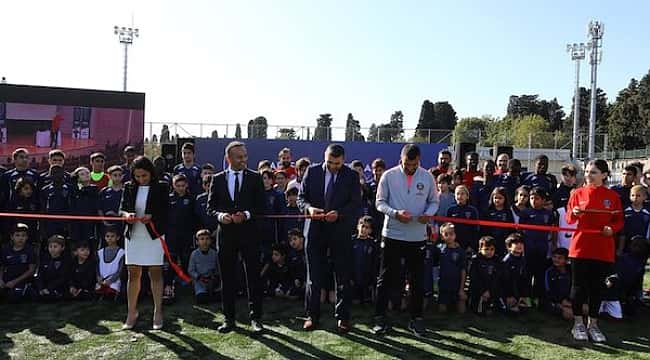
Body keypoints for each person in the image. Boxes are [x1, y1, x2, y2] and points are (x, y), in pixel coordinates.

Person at [373, 144, 438, 337]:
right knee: (385, 278)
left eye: (414, 164)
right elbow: (379, 202)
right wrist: (395, 213)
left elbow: (434, 201)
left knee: (417, 280)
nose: (410, 167)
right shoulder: (389, 175)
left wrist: (428, 214)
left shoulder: (427, 177)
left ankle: (416, 319)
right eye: (407, 163)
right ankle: (379, 318)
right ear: (401, 159)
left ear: (419, 160)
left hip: (417, 236)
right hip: (392, 234)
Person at [298, 143, 361, 333]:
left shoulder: (351, 176)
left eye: (337, 163)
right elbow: (301, 198)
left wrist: (339, 213)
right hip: (315, 231)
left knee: (342, 276)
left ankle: (343, 317)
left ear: (343, 160)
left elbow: (355, 203)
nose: (333, 166)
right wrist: (309, 209)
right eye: (330, 162)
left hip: (339, 231)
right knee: (314, 277)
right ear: (324, 157)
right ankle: (312, 315)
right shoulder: (312, 171)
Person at [207, 141, 266, 334]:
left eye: (245, 156)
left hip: (250, 234)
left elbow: (261, 207)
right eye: (239, 157)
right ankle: (229, 318)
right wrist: (220, 216)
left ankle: (256, 318)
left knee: (253, 277)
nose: (244, 160)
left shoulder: (255, 178)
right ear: (228, 159)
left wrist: (247, 215)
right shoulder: (218, 179)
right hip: (226, 235)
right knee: (228, 278)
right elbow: (210, 207)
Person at [566, 159, 624, 342]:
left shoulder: (612, 197)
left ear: (604, 175)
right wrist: (574, 213)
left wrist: (611, 230)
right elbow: (568, 219)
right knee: (578, 288)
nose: (588, 175)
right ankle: (577, 324)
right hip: (581, 247)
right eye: (587, 171)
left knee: (597, 289)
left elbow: (619, 220)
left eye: (593, 172)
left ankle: (593, 325)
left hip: (603, 248)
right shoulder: (577, 193)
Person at [120, 155, 169, 330]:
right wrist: (127, 216)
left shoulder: (162, 186)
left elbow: (166, 210)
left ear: (151, 173)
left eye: (144, 176)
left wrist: (152, 216)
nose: (141, 179)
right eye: (137, 176)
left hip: (153, 236)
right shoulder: (128, 186)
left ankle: (158, 312)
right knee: (133, 274)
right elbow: (122, 208)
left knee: (155, 273)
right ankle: (131, 312)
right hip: (134, 235)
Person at [519, 187, 554, 302]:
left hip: (542, 248)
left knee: (539, 274)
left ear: (543, 200)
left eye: (537, 198)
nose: (534, 201)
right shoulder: (525, 213)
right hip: (528, 248)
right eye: (532, 198)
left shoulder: (549, 214)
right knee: (527, 274)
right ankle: (526, 297)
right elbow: (520, 230)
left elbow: (551, 230)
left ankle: (538, 298)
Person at [0, 224, 36, 303]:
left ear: (27, 237)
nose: (20, 238)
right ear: (12, 237)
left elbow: (31, 270)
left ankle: (27, 289)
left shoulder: (30, 250)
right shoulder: (5, 249)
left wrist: (14, 282)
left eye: (23, 235)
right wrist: (1, 280)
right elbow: (2, 266)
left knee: (13, 297)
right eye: (17, 235)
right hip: (7, 279)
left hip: (22, 280)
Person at [437, 223, 467, 314]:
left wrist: (462, 289)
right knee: (442, 310)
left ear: (455, 235)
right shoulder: (438, 249)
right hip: (443, 285)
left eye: (451, 233)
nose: (449, 236)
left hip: (456, 285)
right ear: (442, 237)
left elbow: (463, 270)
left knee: (461, 311)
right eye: (446, 234)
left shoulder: (460, 251)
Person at [167, 174, 195, 268]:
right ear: (173, 185)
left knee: (186, 259)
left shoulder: (191, 198)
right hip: (172, 235)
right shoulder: (168, 198)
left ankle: (186, 280)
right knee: (172, 259)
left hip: (187, 234)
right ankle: (171, 282)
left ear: (186, 185)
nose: (180, 188)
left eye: (182, 186)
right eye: (178, 186)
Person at [39, 165, 72, 244]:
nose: (56, 175)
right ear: (50, 175)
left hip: (65, 224)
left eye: (58, 172)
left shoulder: (70, 188)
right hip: (50, 225)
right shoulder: (45, 190)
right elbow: (42, 210)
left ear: (63, 173)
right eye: (53, 173)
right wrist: (42, 228)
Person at [468, 236, 501, 315]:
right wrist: (483, 291)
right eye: (486, 249)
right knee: (479, 311)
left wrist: (489, 291)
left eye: (492, 249)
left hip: (491, 290)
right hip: (478, 290)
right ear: (480, 249)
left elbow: (496, 278)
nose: (489, 252)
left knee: (492, 311)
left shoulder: (497, 261)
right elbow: (474, 278)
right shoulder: (475, 260)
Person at [70, 167, 99, 250]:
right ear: (77, 177)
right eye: (82, 174)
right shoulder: (74, 190)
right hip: (77, 224)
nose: (86, 175)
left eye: (87, 173)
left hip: (91, 222)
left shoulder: (94, 189)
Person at [481, 187, 515, 256]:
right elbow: (483, 228)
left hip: (504, 242)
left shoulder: (508, 212)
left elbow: (511, 228)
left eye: (500, 198)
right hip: (490, 242)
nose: (497, 200)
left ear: (505, 199)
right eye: (495, 198)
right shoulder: (488, 212)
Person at [188, 229, 219, 304]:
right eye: (202, 239)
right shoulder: (194, 254)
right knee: (201, 299)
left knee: (219, 295)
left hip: (212, 279)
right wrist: (199, 277)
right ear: (197, 242)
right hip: (199, 281)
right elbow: (190, 270)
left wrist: (215, 276)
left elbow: (218, 268)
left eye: (207, 239)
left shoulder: (214, 253)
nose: (205, 241)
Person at [351, 216, 377, 304]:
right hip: (353, 275)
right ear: (358, 226)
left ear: (370, 230)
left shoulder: (373, 243)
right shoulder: (351, 241)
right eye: (362, 226)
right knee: (355, 301)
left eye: (367, 227)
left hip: (367, 276)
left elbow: (374, 262)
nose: (364, 229)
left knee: (366, 300)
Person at [5, 177, 39, 244]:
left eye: (31, 189)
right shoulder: (12, 203)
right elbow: (8, 221)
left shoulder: (35, 203)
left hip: (30, 235)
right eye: (26, 188)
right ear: (19, 189)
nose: (29, 191)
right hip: (15, 234)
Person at [36, 235, 70, 302]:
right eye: (50, 246)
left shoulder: (65, 261)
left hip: (57, 287)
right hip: (45, 286)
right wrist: (41, 288)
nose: (52, 249)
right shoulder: (45, 260)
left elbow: (63, 278)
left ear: (62, 248)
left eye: (55, 247)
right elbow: (40, 275)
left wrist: (49, 288)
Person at [446, 185, 480, 252]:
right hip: (454, 244)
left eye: (462, 194)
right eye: (457, 194)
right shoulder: (451, 210)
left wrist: (472, 245)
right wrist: (451, 243)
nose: (460, 196)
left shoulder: (472, 210)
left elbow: (476, 229)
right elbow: (448, 228)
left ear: (467, 196)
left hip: (468, 245)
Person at [98, 166, 125, 246]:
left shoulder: (125, 191)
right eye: (115, 175)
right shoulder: (104, 191)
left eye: (120, 175)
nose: (117, 177)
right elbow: (99, 208)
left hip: (121, 225)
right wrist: (104, 221)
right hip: (106, 225)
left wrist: (118, 215)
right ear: (109, 176)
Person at [543, 247, 573, 320]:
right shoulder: (549, 272)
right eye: (554, 257)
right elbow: (549, 291)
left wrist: (569, 300)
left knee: (586, 308)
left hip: (568, 301)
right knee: (568, 314)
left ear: (566, 260)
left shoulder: (571, 271)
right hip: (554, 302)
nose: (556, 260)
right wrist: (561, 301)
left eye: (560, 258)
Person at [95, 228, 125, 301]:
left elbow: (120, 271)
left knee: (111, 292)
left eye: (112, 236)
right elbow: (97, 267)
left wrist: (110, 280)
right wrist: (98, 277)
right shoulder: (100, 252)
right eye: (107, 236)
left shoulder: (122, 252)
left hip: (114, 281)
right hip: (101, 280)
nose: (110, 238)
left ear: (117, 238)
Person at [501, 233, 528, 313]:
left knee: (524, 309)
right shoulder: (506, 261)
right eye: (516, 243)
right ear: (509, 247)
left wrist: (523, 296)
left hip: (517, 290)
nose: (519, 245)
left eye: (521, 243)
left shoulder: (523, 260)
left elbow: (524, 279)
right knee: (514, 312)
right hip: (507, 292)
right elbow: (504, 281)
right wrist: (509, 296)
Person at [620, 185, 650, 254]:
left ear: (645, 197)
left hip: (643, 245)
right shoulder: (625, 210)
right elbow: (622, 232)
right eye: (632, 195)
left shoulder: (647, 211)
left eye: (638, 196)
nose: (635, 198)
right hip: (627, 244)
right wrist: (620, 248)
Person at [367, 158, 386, 236]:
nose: (377, 172)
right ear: (372, 170)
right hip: (371, 218)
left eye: (380, 170)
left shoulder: (388, 185)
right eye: (375, 170)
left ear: (384, 170)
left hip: (383, 218)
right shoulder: (367, 186)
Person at [287, 228, 306, 299]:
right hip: (297, 281)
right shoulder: (291, 254)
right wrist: (295, 279)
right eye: (290, 240)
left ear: (301, 239)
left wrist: (305, 281)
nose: (292, 242)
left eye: (295, 239)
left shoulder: (307, 252)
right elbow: (291, 269)